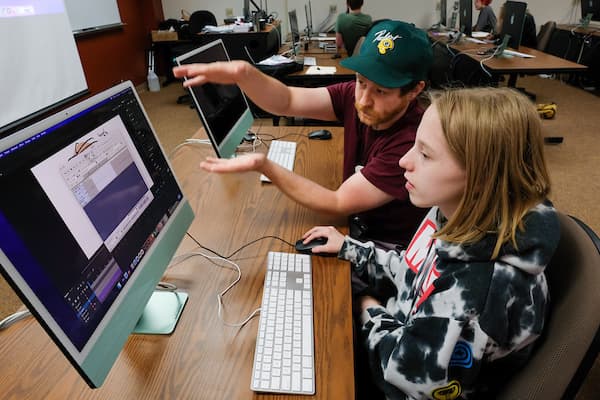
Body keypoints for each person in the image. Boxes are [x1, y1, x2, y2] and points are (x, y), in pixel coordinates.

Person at [300, 87, 560, 399]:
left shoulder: (478, 291)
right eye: (414, 146)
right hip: (399, 327)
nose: (403, 162)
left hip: (399, 378)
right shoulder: (453, 212)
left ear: (479, 177)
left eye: (425, 154)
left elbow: (406, 375)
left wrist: (365, 307)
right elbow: (414, 271)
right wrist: (350, 248)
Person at [173, 20, 433, 248]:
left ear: (413, 90)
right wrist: (246, 74)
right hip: (355, 226)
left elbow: (337, 202)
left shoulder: (410, 144)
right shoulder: (355, 98)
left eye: (381, 91)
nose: (363, 100)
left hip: (383, 252)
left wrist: (264, 165)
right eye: (360, 82)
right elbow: (287, 100)